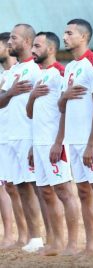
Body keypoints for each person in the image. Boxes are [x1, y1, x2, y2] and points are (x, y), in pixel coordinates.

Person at [58, 18, 93, 256]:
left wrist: (92, 143)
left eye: (69, 33)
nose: (65, 37)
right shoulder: (71, 67)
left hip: (92, 141)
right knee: (83, 192)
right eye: (64, 32)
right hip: (73, 139)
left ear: (83, 37)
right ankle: (91, 244)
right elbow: (62, 106)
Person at [26, 31, 79, 256]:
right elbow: (30, 113)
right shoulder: (39, 75)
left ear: (50, 49)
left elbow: (67, 110)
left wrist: (59, 142)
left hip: (54, 143)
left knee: (65, 192)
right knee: (46, 192)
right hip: (38, 143)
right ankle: (55, 241)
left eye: (37, 46)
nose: (33, 50)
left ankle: (73, 243)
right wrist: (32, 96)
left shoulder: (61, 73)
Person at [0, 24, 45, 252]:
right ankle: (33, 237)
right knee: (19, 187)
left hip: (28, 136)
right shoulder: (13, 71)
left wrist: (36, 139)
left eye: (14, 38)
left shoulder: (36, 70)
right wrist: (10, 92)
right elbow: (1, 101)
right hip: (11, 137)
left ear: (27, 42)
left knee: (39, 187)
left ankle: (50, 236)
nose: (9, 42)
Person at [0, 32, 24, 248]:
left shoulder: (20, 72)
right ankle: (10, 234)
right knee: (5, 187)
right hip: (3, 137)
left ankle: (24, 235)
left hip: (15, 136)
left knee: (18, 187)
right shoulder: (3, 75)